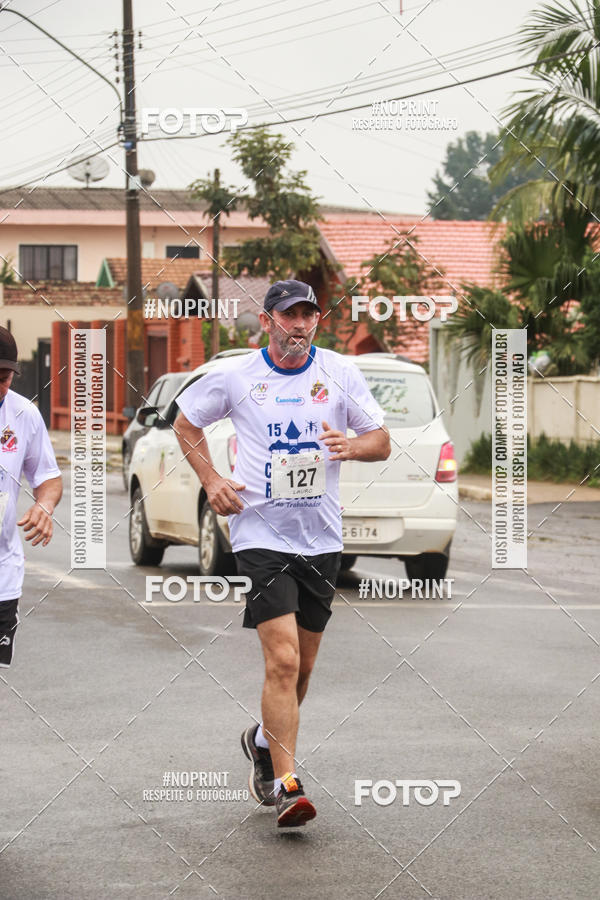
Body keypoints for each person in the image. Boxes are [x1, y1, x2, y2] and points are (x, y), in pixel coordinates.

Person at [174, 280, 390, 828]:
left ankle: (263, 742)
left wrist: (352, 446)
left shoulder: (341, 372)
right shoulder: (235, 376)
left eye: (308, 315)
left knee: (305, 668)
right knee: (284, 660)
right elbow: (185, 422)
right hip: (259, 533)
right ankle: (287, 785)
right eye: (289, 315)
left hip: (321, 536)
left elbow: (381, 440)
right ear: (267, 321)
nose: (300, 324)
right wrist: (212, 479)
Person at [0, 326, 63, 668]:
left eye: (4, 377)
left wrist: (45, 505)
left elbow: (49, 477)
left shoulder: (24, 414)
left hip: (3, 574)